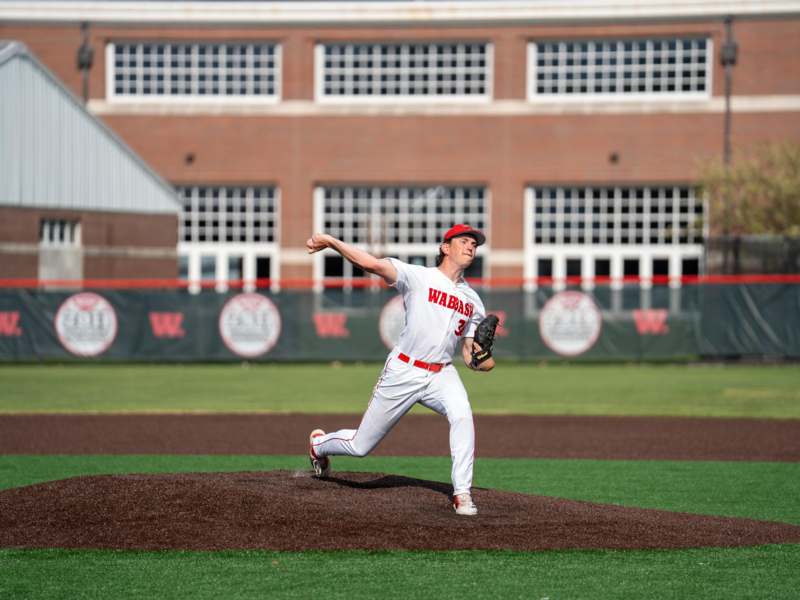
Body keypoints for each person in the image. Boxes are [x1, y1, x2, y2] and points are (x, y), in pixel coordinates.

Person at [305, 223, 495, 516]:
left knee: (462, 414)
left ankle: (462, 493)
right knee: (360, 446)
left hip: (441, 373)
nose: (471, 246)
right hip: (404, 369)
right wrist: (331, 241)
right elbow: (370, 263)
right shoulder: (419, 276)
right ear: (445, 247)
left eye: (475, 244)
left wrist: (483, 361)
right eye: (464, 241)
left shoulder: (474, 302)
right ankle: (319, 445)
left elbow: (471, 356)